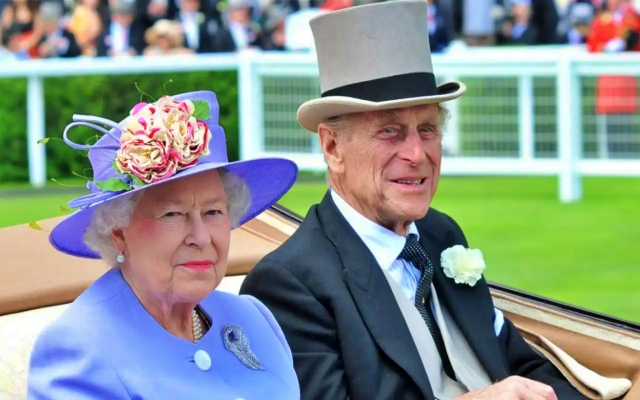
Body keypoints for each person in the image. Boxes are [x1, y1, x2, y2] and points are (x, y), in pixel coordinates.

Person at [239, 2, 589, 399]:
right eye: (390, 131)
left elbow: (518, 363)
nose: (418, 154)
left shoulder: (440, 234)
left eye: (427, 129)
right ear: (332, 146)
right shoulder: (290, 284)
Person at [26, 91, 301, 399]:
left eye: (213, 212)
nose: (201, 237)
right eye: (173, 214)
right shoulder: (79, 346)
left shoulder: (253, 316)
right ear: (118, 231)